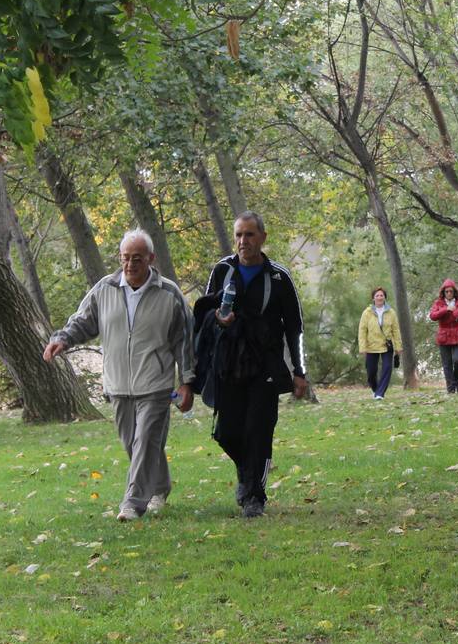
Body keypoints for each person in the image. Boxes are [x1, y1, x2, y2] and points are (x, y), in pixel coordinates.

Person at [43, 230, 194, 522]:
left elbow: (185, 341)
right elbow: (83, 321)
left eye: (137, 258)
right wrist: (62, 339)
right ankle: (159, 488)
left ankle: (132, 503)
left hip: (156, 383)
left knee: (147, 440)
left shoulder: (169, 293)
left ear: (151, 258)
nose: (130, 264)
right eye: (125, 258)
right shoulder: (105, 288)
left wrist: (187, 382)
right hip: (118, 383)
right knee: (134, 444)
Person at [204, 211, 307, 519]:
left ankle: (255, 497)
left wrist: (300, 371)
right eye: (238, 234)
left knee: (259, 430)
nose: (242, 241)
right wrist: (218, 321)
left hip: (265, 366)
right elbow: (205, 316)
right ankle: (246, 471)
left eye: (249, 235)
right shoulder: (223, 270)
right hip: (229, 364)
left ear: (262, 238)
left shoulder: (278, 276)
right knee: (226, 431)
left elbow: (295, 327)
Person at [428, 279, 458, 393]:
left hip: (457, 336)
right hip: (444, 336)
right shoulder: (438, 303)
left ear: (454, 292)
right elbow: (432, 316)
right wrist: (445, 309)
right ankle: (450, 388)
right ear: (443, 292)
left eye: (450, 291)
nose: (448, 293)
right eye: (446, 291)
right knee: (447, 364)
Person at [358, 287, 402, 400]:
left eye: (381, 295)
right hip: (371, 346)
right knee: (371, 372)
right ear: (373, 298)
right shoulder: (367, 313)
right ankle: (376, 389)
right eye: (377, 295)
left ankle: (380, 394)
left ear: (385, 297)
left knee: (387, 368)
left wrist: (398, 347)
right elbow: (362, 330)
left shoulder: (391, 312)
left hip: (387, 345)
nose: (379, 297)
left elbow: (396, 330)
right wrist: (362, 347)